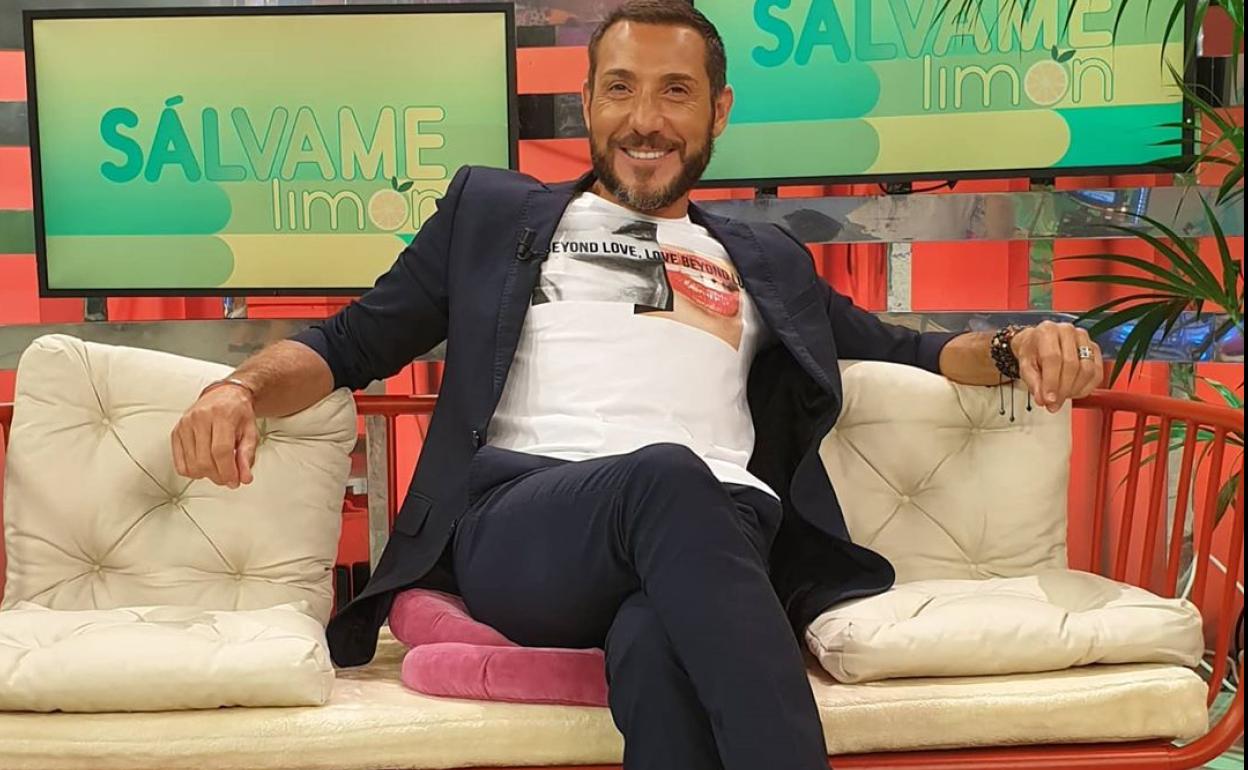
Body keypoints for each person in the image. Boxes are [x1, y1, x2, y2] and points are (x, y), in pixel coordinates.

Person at [170, 3, 1103, 768]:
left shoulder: (764, 259)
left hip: (717, 535)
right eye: (620, 88)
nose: (645, 119)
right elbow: (349, 341)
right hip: (529, 523)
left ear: (719, 111)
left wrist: (1022, 345)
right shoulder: (492, 215)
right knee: (664, 474)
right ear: (587, 101)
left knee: (656, 649)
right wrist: (237, 391)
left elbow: (907, 348)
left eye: (674, 91)